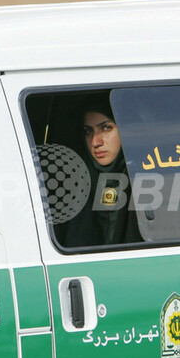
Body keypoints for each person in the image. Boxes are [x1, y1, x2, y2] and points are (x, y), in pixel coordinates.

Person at [59, 95, 141, 247]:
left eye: (106, 128)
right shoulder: (75, 183)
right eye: (88, 131)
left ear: (125, 129)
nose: (95, 142)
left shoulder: (147, 179)